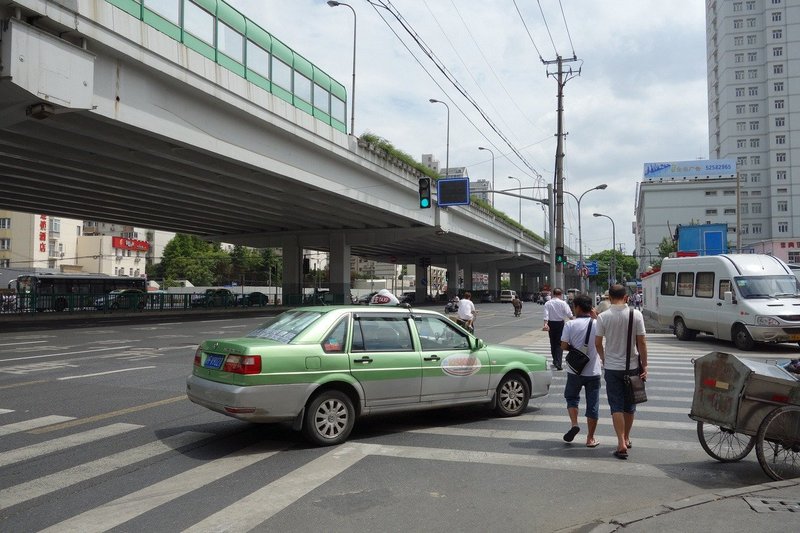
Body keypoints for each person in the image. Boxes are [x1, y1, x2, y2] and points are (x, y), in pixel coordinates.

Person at [594, 284, 648, 460]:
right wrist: (645, 366)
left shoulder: (603, 317)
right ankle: (627, 437)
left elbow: (597, 343)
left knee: (615, 405)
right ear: (626, 297)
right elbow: (642, 343)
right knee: (630, 405)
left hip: (612, 368)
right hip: (631, 366)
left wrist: (603, 358)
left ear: (609, 298)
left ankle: (620, 442)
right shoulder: (636, 315)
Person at [560, 293, 601, 448]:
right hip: (593, 371)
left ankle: (574, 424)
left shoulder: (570, 324)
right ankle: (590, 438)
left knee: (571, 398)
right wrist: (595, 315)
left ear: (577, 307)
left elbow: (563, 346)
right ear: (590, 307)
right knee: (593, 404)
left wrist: (574, 350)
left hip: (574, 370)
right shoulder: (598, 323)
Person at [542, 288, 574, 370]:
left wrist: (545, 324)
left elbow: (546, 315)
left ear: (553, 294)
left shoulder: (548, 303)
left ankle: (555, 360)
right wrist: (573, 321)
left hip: (551, 324)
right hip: (560, 324)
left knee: (552, 342)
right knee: (559, 343)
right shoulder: (563, 303)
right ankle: (558, 363)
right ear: (560, 294)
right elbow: (569, 314)